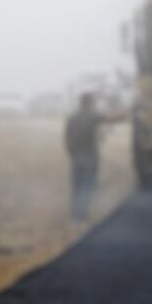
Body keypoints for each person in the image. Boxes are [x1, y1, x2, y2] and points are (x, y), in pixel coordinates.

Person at [63, 93, 126, 222]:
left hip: (76, 159)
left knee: (77, 188)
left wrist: (73, 155)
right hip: (90, 159)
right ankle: (80, 218)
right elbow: (116, 118)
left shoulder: (72, 118)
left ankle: (74, 217)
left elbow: (67, 139)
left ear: (80, 103)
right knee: (87, 187)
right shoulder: (93, 116)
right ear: (90, 103)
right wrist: (131, 109)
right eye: (93, 103)